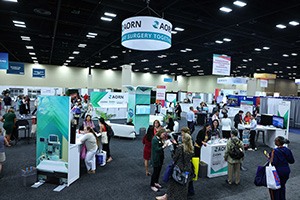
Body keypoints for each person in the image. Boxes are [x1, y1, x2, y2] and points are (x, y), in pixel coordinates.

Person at [156, 134, 194, 200]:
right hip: (187, 169)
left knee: (173, 183)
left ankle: (167, 197)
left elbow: (175, 158)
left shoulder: (180, 148)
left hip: (179, 169)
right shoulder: (190, 148)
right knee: (184, 185)